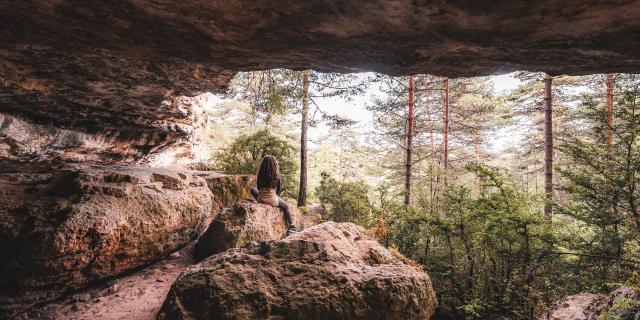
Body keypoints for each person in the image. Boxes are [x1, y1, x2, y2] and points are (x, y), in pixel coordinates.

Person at [250, 155, 297, 234]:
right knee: (286, 207)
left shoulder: (260, 176)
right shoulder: (277, 177)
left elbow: (258, 188)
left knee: (252, 189)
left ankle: (258, 200)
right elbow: (278, 190)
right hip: (272, 199)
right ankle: (292, 226)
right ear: (274, 165)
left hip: (261, 198)